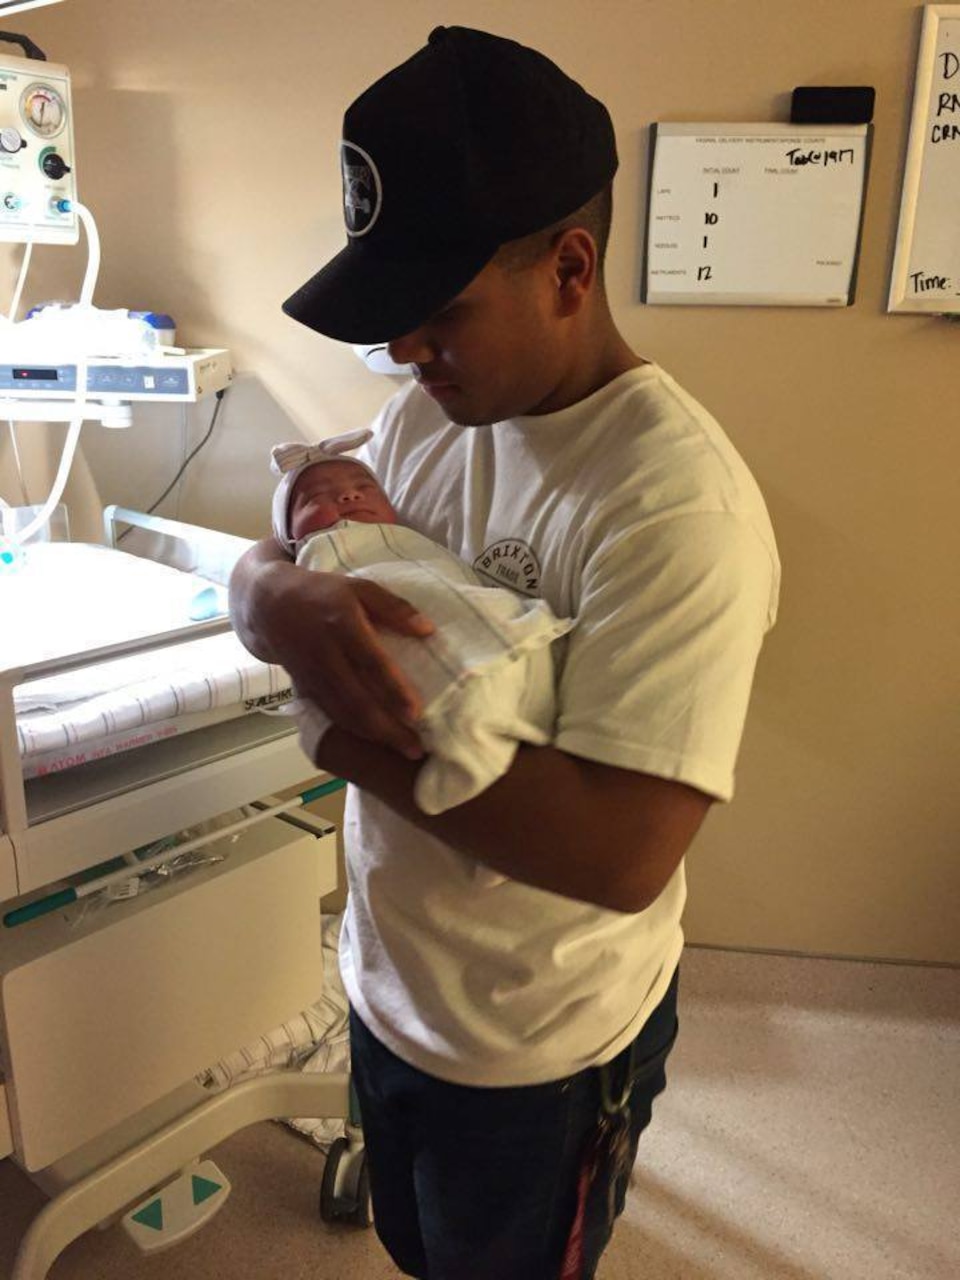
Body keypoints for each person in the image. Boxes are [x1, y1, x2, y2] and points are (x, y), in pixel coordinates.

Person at [229, 25, 780, 1280]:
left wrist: (329, 733)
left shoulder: (673, 510)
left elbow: (622, 852)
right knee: (415, 1243)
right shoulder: (430, 416)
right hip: (392, 984)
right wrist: (262, 590)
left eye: (441, 316)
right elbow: (327, 519)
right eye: (392, 323)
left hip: (542, 1047)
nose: (410, 355)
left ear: (570, 269)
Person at [270, 430, 571, 816]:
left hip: (482, 619)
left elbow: (443, 580)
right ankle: (469, 741)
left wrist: (326, 739)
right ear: (290, 536)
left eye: (364, 487)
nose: (348, 496)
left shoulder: (409, 540)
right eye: (315, 498)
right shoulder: (320, 552)